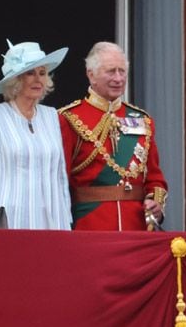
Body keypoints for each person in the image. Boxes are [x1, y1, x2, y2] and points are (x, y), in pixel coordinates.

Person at [0, 41, 72, 230]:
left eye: (42, 73)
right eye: (30, 73)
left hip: (52, 219)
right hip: (10, 218)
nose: (38, 79)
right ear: (15, 79)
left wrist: (66, 216)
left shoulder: (52, 115)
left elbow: (60, 173)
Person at [58, 42, 167, 231]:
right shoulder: (69, 118)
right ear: (91, 75)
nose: (118, 78)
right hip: (89, 224)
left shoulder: (142, 120)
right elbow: (60, 181)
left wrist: (155, 204)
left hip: (135, 226)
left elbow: (155, 177)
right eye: (111, 71)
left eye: (122, 71)